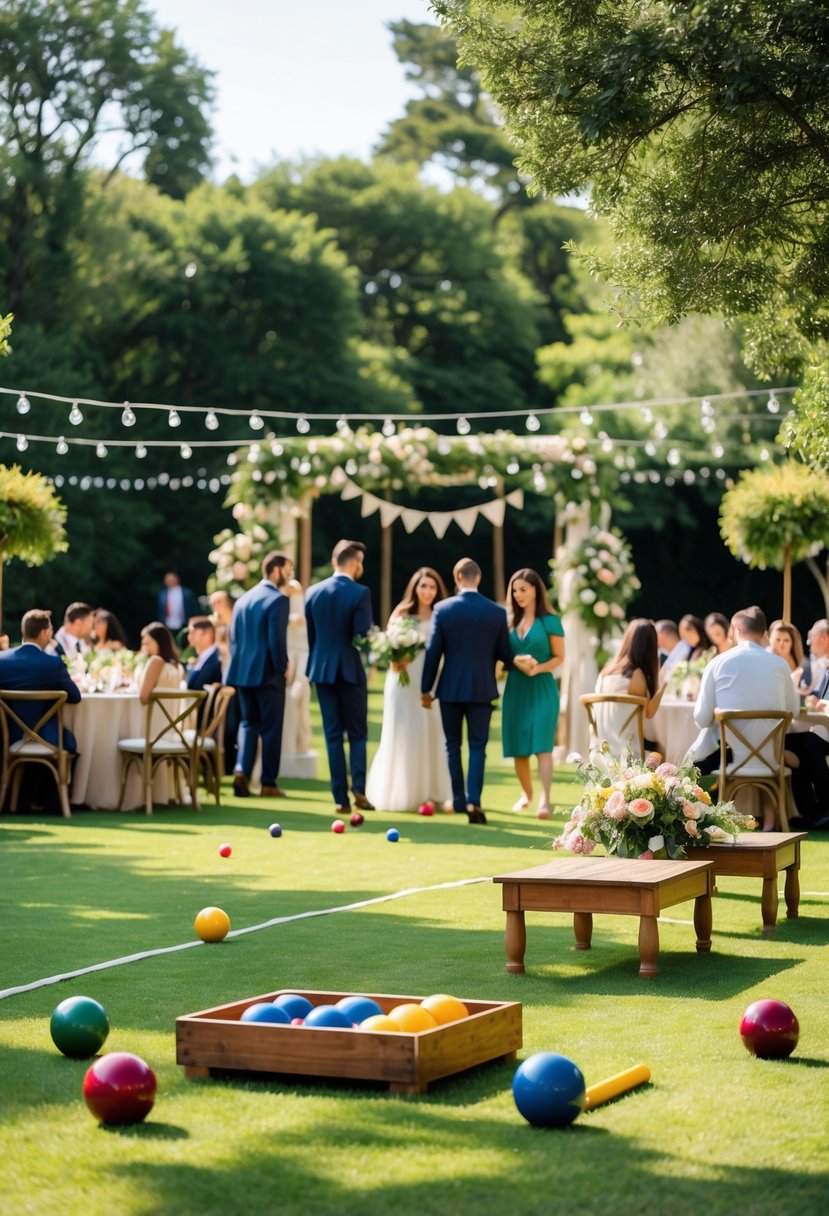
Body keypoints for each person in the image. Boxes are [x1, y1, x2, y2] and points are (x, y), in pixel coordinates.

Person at [692, 606, 829, 830]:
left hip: (732, 758)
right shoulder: (780, 665)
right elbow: (793, 713)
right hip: (772, 757)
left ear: (736, 630)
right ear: (764, 632)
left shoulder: (717, 663)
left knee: (696, 756)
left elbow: (700, 719)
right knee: (805, 745)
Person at [421, 557, 518, 825]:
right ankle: (474, 799)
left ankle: (459, 799)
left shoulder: (442, 608)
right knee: (478, 747)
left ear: (457, 577)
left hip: (449, 688)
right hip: (482, 687)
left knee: (452, 746)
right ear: (479, 577)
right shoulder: (496, 612)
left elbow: (433, 652)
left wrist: (425, 688)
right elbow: (505, 654)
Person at [366, 566, 452, 812]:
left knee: (433, 731)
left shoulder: (441, 613)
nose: (427, 591)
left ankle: (434, 792)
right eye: (423, 586)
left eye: (432, 586)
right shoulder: (402, 612)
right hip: (403, 681)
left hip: (431, 682)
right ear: (415, 588)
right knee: (405, 732)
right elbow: (386, 646)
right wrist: (395, 660)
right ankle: (403, 792)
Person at [305, 540, 374, 813]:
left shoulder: (312, 592)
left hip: (321, 669)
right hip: (349, 670)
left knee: (332, 735)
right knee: (357, 733)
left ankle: (340, 799)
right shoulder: (360, 592)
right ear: (355, 562)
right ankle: (358, 786)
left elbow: (312, 637)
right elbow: (362, 637)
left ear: (334, 561)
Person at [227, 551, 293, 799]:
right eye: (288, 569)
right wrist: (282, 667)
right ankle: (267, 782)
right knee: (272, 728)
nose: (289, 575)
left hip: (243, 672)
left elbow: (232, 639)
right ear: (276, 569)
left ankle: (241, 769)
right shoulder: (278, 599)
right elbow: (277, 640)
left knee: (248, 723)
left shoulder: (243, 599)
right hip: (268, 673)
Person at [501, 568, 565, 818]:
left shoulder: (550, 620)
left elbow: (560, 657)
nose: (518, 595)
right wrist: (514, 661)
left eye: (523, 590)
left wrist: (537, 667)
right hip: (515, 688)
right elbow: (503, 655)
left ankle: (545, 801)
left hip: (542, 688)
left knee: (542, 746)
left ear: (536, 590)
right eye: (515, 590)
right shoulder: (509, 622)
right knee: (518, 748)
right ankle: (526, 794)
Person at [0, 608, 81, 753]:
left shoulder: (2, 661)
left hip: (7, 738)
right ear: (45, 633)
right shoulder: (53, 664)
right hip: (48, 739)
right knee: (71, 743)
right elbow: (75, 697)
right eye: (51, 630)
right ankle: (58, 776)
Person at [593, 619, 666, 756]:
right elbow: (649, 712)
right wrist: (665, 684)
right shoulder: (635, 675)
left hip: (602, 749)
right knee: (664, 746)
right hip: (626, 751)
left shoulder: (606, 671)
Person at [768, 619, 810, 692]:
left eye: (786, 640)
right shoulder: (762, 661)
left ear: (792, 643)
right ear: (770, 640)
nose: (781, 645)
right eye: (777, 640)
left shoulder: (803, 665)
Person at [185, 618, 223, 691]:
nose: (189, 637)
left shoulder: (218, 659)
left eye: (192, 632)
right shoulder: (204, 657)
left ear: (206, 633)